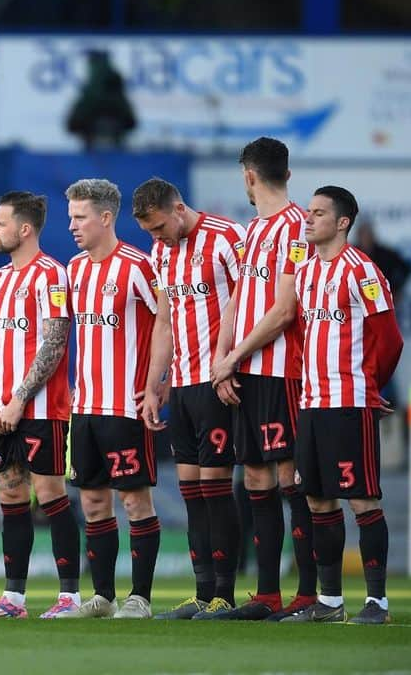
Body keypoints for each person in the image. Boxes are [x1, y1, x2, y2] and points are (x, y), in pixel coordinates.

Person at [210, 138, 318, 620]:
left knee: (290, 477)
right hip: (245, 372)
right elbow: (235, 300)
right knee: (253, 476)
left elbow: (285, 309)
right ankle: (268, 593)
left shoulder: (297, 227)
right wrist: (222, 361)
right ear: (286, 174)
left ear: (249, 176)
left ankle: (311, 593)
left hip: (281, 372)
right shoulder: (251, 231)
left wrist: (234, 356)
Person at [284, 186, 403, 625]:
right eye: (308, 212)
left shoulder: (362, 272)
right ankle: (330, 602)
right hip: (311, 405)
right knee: (317, 501)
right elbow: (300, 335)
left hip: (350, 403)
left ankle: (377, 603)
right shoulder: (307, 272)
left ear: (342, 223)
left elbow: (389, 338)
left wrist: (371, 385)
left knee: (363, 501)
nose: (308, 219)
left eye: (318, 213)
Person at [133, 178, 246, 619]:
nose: (156, 238)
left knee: (217, 488)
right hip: (180, 384)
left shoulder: (226, 238)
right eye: (149, 232)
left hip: (216, 380)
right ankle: (201, 593)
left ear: (178, 208)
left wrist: (229, 360)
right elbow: (163, 321)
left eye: (160, 227)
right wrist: (153, 382)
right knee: (192, 490)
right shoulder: (162, 253)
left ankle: (226, 593)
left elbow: (247, 301)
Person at [0, 191, 80, 619]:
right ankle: (13, 599)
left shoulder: (52, 275)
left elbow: (53, 344)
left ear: (25, 228)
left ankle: (69, 597)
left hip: (41, 409)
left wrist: (17, 400)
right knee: (10, 497)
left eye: (0, 223)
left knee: (50, 494)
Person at [63, 178, 159, 619]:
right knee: (93, 501)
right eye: (70, 218)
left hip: (126, 407)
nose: (72, 226)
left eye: (80, 217)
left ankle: (140, 596)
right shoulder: (75, 269)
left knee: (135, 500)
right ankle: (103, 596)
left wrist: (161, 383)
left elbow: (169, 324)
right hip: (85, 409)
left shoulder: (138, 266)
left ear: (105, 218)